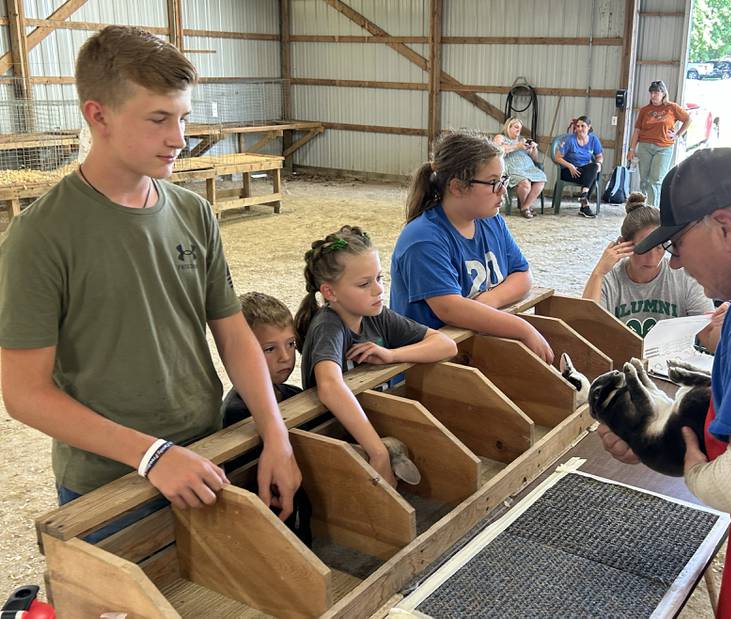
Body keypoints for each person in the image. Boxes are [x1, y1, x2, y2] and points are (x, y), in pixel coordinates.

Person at [0, 26, 301, 540]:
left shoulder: (193, 213)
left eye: (182, 118)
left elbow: (231, 333)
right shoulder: (40, 237)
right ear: (99, 116)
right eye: (159, 119)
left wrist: (276, 434)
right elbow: (24, 393)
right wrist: (151, 454)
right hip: (109, 481)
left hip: (207, 452)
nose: (179, 138)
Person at [600, 147, 731, 617]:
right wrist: (663, 433)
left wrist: (690, 466)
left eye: (676, 246)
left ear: (725, 227)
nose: (674, 264)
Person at [295, 225, 457, 487]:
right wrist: (377, 451)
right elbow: (329, 386)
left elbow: (446, 345)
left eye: (380, 278)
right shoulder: (329, 325)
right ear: (330, 292)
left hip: (371, 424)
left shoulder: (377, 315)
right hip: (336, 437)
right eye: (364, 284)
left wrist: (392, 355)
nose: (378, 290)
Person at [390, 131, 554, 364]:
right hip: (426, 369)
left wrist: (491, 299)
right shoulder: (424, 239)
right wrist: (523, 329)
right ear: (457, 187)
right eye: (493, 183)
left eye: (503, 180)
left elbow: (523, 275)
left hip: (471, 352)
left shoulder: (491, 220)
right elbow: (450, 309)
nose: (503, 190)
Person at [582, 191, 725, 350]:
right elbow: (587, 334)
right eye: (645, 248)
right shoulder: (608, 278)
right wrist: (598, 273)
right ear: (624, 244)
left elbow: (711, 339)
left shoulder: (683, 276)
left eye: (659, 247)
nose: (652, 259)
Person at [222, 292, 302, 427]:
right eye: (270, 349)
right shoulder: (237, 414)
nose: (285, 357)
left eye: (290, 344)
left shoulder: (294, 394)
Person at [627, 80, 691, 208]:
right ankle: (642, 207)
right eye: (651, 93)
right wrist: (632, 148)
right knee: (644, 179)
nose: (653, 95)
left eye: (656, 92)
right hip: (645, 146)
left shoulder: (672, 108)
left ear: (663, 93)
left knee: (655, 180)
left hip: (664, 147)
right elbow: (637, 130)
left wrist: (677, 134)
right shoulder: (645, 110)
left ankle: (653, 208)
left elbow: (688, 119)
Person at [492, 117, 547, 219]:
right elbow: (497, 150)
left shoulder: (522, 140)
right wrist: (518, 146)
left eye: (520, 128)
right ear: (509, 127)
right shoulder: (500, 137)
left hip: (528, 166)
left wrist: (534, 149)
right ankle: (526, 208)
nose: (518, 130)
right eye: (516, 127)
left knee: (541, 179)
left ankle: (525, 207)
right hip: (512, 168)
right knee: (525, 183)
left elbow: (534, 158)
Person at [553, 115, 604, 218]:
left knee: (595, 167)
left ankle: (584, 196)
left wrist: (599, 164)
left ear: (589, 127)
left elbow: (599, 157)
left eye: (583, 126)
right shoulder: (569, 140)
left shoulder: (593, 139)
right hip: (569, 171)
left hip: (584, 171)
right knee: (593, 176)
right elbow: (557, 157)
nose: (580, 129)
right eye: (578, 126)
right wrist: (570, 166)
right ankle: (584, 206)